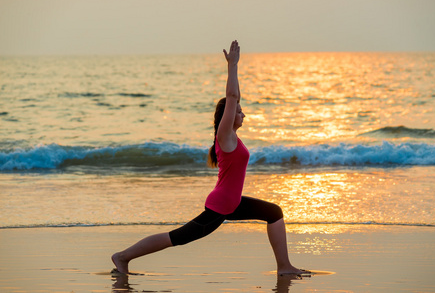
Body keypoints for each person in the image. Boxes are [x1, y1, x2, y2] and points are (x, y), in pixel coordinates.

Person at [112, 40, 309, 276]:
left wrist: (236, 80)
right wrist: (233, 66)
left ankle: (284, 267)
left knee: (274, 212)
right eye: (238, 110)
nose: (242, 113)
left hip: (231, 203)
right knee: (177, 238)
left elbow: (236, 97)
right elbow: (232, 95)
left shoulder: (232, 137)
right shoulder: (224, 135)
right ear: (227, 116)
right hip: (222, 206)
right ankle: (122, 257)